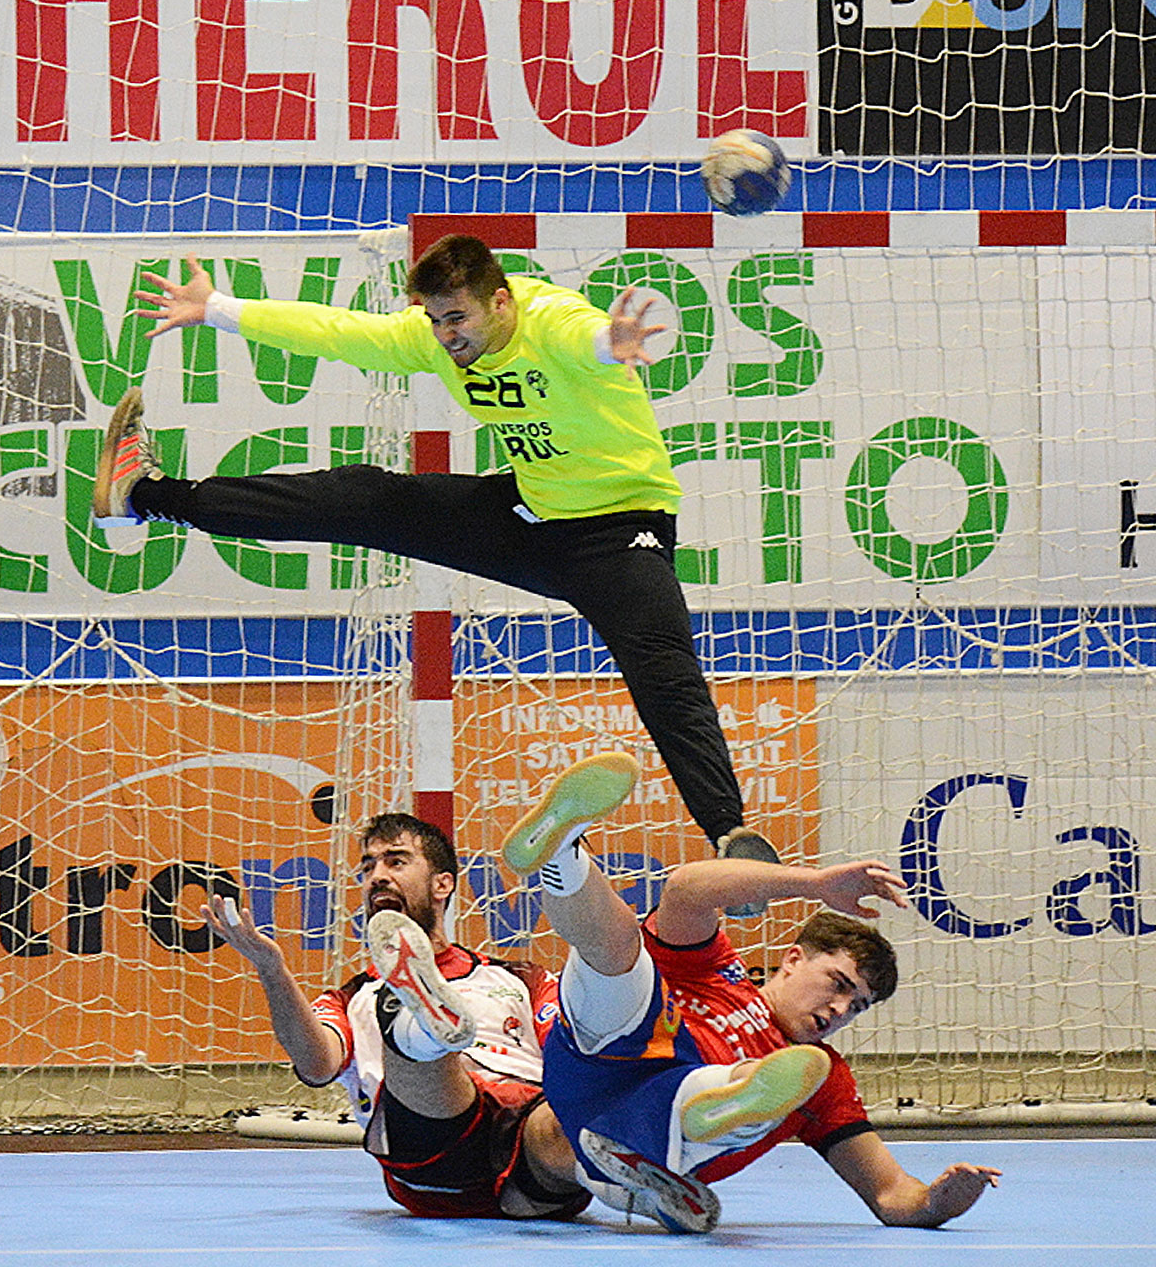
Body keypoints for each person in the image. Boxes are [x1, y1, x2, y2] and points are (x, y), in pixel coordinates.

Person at [104, 236, 778, 906]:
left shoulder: (557, 324)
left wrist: (611, 343)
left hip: (618, 535)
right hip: (529, 517)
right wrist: (218, 307)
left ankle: (732, 839)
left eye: (459, 318)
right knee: (363, 498)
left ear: (502, 302)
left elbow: (587, 341)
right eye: (434, 319)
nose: (447, 335)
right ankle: (144, 498)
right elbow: (343, 332)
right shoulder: (437, 337)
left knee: (665, 671)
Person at [499, 750, 1001, 1232]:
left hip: (629, 1133)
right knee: (618, 954)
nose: (841, 1009)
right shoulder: (717, 969)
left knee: (717, 1092)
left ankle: (726, 1102)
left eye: (858, 1005)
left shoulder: (820, 1079)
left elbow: (892, 1194)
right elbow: (686, 888)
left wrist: (937, 1201)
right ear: (794, 958)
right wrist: (815, 883)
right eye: (839, 984)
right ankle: (561, 853)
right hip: (599, 1059)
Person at [199, 812, 594, 1221]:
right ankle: (418, 1023)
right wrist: (272, 970)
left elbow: (573, 1050)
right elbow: (317, 1064)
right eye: (368, 867)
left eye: (396, 861)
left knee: (572, 1133)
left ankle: (641, 1182)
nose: (377, 876)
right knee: (404, 1036)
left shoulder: (519, 978)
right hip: (434, 1150)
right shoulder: (354, 997)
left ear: (443, 884)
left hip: (526, 1145)